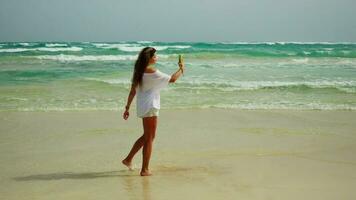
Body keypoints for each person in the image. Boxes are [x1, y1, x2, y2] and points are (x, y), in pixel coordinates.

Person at [122, 47, 185, 176]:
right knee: (150, 137)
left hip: (143, 106)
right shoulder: (152, 71)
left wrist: (127, 107)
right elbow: (172, 79)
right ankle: (144, 170)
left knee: (147, 136)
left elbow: (133, 91)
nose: (157, 57)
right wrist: (181, 69)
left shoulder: (138, 71)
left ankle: (128, 159)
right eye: (155, 56)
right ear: (149, 58)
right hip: (151, 106)